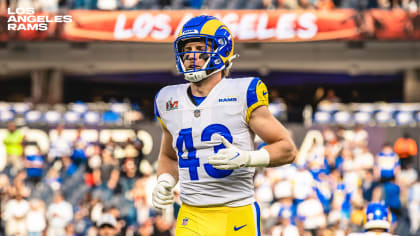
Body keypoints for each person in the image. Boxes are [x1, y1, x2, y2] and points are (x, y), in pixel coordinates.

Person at [152, 15, 297, 236]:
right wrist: (164, 180)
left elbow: (287, 148)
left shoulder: (242, 92)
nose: (191, 55)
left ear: (221, 50)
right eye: (187, 48)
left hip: (236, 211)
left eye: (199, 47)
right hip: (191, 214)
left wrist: (248, 158)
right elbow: (170, 157)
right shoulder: (167, 99)